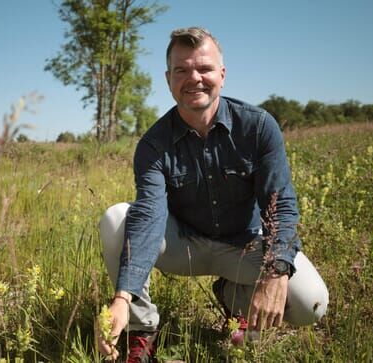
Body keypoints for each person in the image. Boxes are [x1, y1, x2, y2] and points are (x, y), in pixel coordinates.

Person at [98, 27, 329, 362]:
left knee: (312, 305)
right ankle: (142, 330)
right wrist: (122, 297)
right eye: (182, 70)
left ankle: (232, 294)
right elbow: (148, 216)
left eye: (204, 68)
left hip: (244, 245)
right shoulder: (153, 144)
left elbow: (282, 205)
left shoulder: (259, 127)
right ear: (168, 78)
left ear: (221, 74)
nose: (194, 78)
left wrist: (276, 272)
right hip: (186, 245)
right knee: (116, 217)